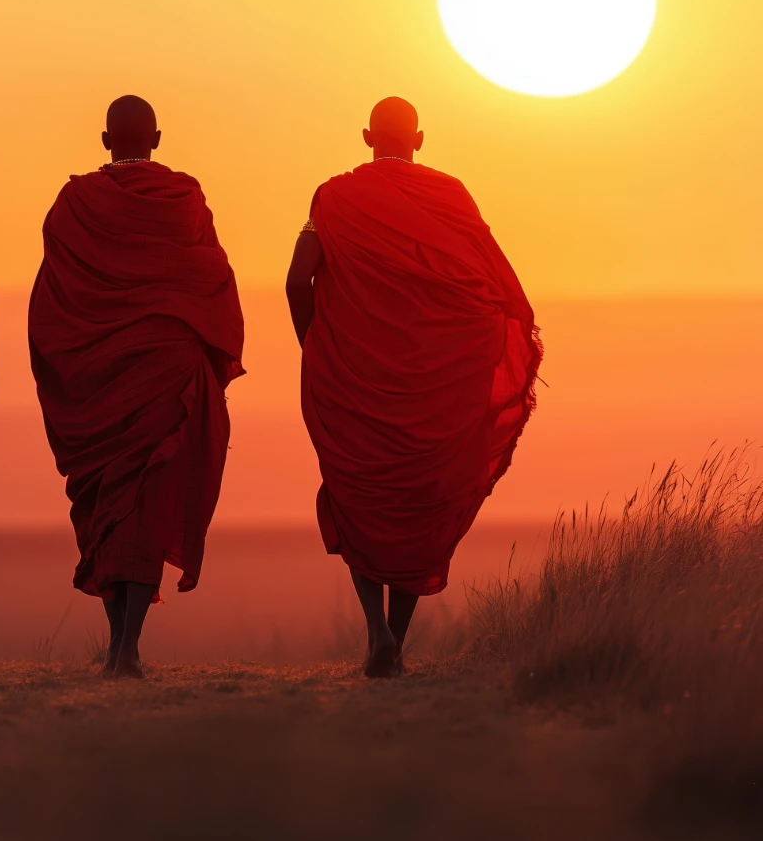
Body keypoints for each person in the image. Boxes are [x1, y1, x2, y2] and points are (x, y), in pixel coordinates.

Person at [286, 97, 542, 678]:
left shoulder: (333, 197)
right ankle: (393, 642)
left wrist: (318, 345)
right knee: (420, 505)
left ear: (365, 137)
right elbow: (492, 291)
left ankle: (376, 632)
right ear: (420, 138)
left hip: (355, 379)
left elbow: (297, 277)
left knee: (360, 495)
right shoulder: (452, 198)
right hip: (437, 383)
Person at [29, 95, 244, 678]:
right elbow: (213, 277)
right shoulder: (184, 199)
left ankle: (119, 641)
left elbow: (52, 296)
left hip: (98, 378)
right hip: (168, 373)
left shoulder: (75, 203)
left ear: (105, 140)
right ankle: (128, 645)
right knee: (146, 505)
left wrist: (60, 364)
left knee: (106, 504)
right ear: (157, 137)